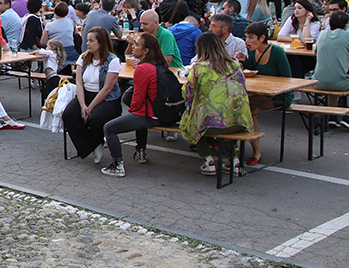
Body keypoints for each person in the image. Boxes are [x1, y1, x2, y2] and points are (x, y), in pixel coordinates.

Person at [181, 33, 253, 177]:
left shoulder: (199, 68)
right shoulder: (236, 65)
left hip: (214, 126)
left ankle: (208, 160)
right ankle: (233, 160)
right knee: (227, 114)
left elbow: (187, 94)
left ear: (200, 48)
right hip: (241, 122)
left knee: (191, 121)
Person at [100, 32, 164, 177]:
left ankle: (117, 165)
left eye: (136, 44)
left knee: (110, 128)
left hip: (150, 114)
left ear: (146, 50)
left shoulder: (143, 68)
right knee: (137, 117)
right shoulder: (159, 64)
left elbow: (137, 99)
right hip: (161, 112)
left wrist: (133, 110)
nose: (134, 46)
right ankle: (141, 152)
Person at [62, 26, 122, 162]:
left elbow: (107, 89)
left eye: (91, 41)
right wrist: (83, 105)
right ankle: (93, 144)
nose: (87, 43)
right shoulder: (83, 57)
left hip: (107, 99)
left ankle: (97, 140)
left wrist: (90, 107)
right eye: (87, 40)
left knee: (94, 118)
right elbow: (79, 83)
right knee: (68, 115)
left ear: (101, 43)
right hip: (85, 95)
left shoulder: (112, 61)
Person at [242, 21, 294, 164]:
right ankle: (243, 148)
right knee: (242, 107)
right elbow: (253, 69)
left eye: (251, 37)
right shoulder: (252, 51)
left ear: (262, 38)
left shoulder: (277, 52)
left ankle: (255, 152)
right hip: (260, 93)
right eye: (247, 37)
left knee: (248, 110)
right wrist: (245, 61)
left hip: (279, 95)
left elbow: (287, 79)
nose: (247, 41)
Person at [312, 10, 349, 131]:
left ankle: (333, 115)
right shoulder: (347, 36)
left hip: (318, 81)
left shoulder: (322, 34)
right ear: (346, 25)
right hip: (339, 83)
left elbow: (315, 52)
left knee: (334, 77)